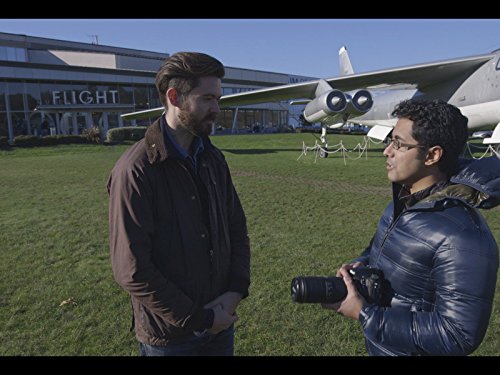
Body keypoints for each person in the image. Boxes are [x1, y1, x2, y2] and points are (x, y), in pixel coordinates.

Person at [323, 99, 499, 356]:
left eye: (399, 144)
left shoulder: (462, 236)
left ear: (432, 155)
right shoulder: (405, 201)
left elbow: (458, 334)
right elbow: (380, 246)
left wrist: (365, 313)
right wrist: (361, 264)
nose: (387, 151)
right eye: (389, 141)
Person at [108, 52, 251, 356]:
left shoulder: (213, 158)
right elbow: (131, 269)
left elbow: (236, 227)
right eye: (207, 99)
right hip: (171, 338)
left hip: (221, 323)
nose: (216, 110)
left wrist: (235, 291)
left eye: (218, 99)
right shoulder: (135, 171)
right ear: (175, 97)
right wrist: (200, 318)